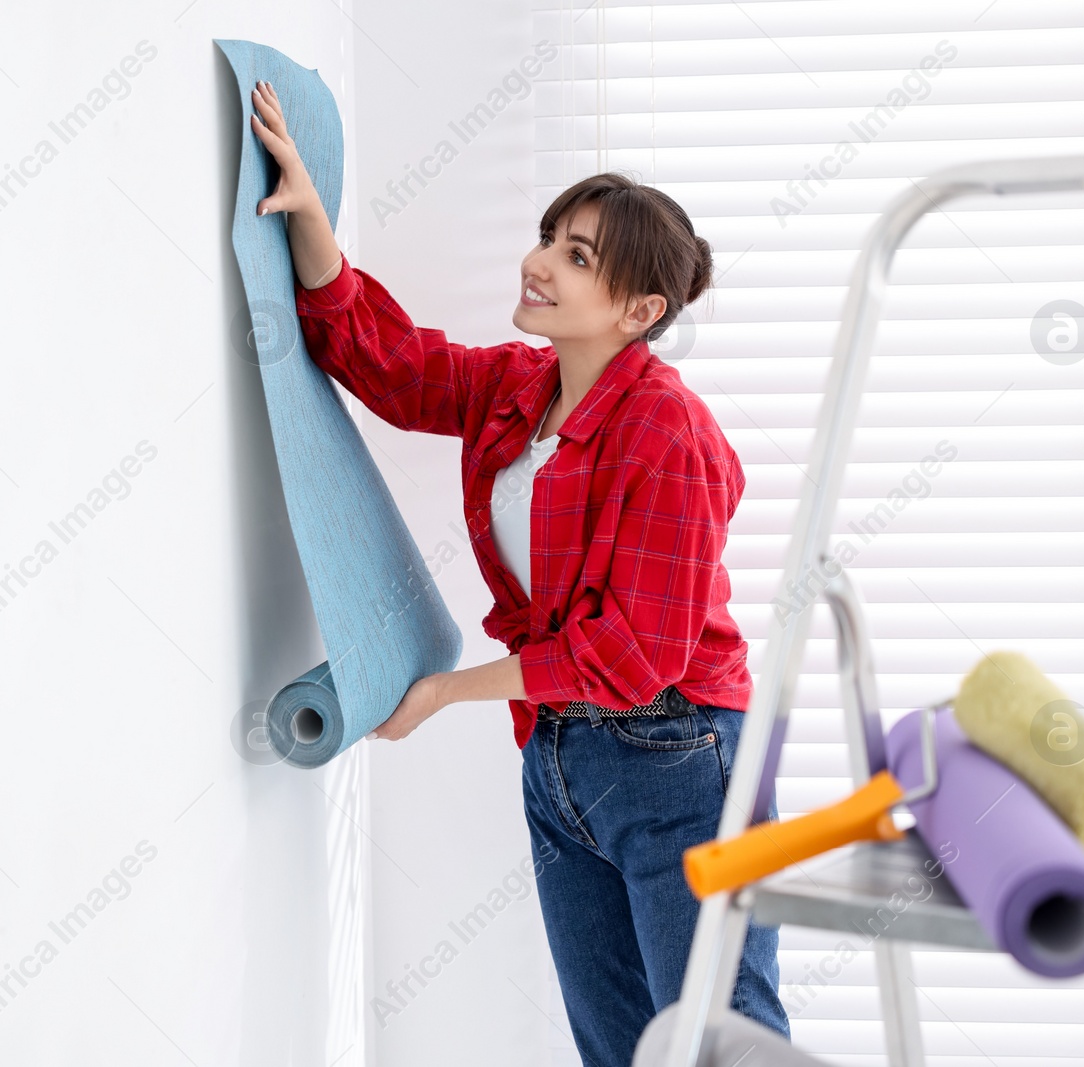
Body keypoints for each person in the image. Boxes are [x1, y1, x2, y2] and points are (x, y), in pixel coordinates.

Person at [248, 79, 789, 1064]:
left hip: (681, 758)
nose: (538, 261)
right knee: (618, 1047)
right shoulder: (516, 389)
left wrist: (449, 689)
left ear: (640, 309)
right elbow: (388, 363)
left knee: (722, 1044)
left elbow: (633, 652)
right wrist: (311, 221)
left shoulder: (668, 433)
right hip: (558, 758)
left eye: (575, 256)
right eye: (550, 236)